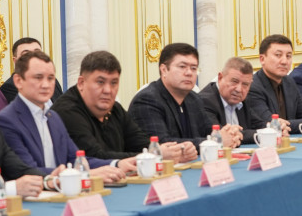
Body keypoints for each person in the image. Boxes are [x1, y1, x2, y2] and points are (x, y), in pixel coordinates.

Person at [0, 50, 129, 183]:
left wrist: (117, 164)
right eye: (38, 78)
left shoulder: (53, 117)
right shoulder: (7, 120)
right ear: (18, 81)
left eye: (50, 78)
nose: (46, 85)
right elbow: (26, 170)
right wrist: (83, 174)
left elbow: (76, 159)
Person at [52, 51, 197, 163]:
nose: (108, 90)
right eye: (100, 82)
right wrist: (154, 155)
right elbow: (95, 157)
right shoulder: (67, 111)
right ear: (81, 83)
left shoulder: (114, 108)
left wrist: (177, 150)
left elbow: (141, 143)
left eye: (114, 83)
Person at [129, 43, 242, 148]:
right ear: (164, 70)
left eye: (193, 68)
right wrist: (216, 142)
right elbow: (162, 144)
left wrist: (230, 134)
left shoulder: (194, 99)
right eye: (182, 67)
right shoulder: (147, 100)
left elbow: (210, 131)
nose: (189, 73)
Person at [246, 35, 302, 135]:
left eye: (288, 56)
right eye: (278, 55)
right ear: (262, 59)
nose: (284, 61)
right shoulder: (253, 86)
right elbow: (271, 124)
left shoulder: (289, 82)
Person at [199, 57, 257, 144]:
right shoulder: (205, 101)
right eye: (234, 81)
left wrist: (273, 128)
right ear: (220, 78)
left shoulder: (245, 100)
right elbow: (219, 135)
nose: (239, 89)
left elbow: (261, 125)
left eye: (245, 84)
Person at [0, 38, 63, 104]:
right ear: (15, 61)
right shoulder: (9, 87)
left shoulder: (51, 80)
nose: (33, 58)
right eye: (26, 54)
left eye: (37, 53)